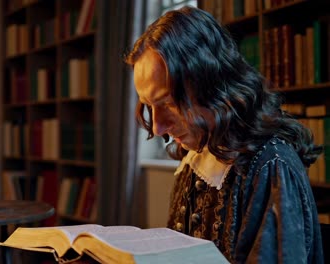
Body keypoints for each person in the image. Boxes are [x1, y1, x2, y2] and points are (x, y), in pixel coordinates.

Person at [125, 6, 324, 263]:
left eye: (169, 103)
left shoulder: (272, 166)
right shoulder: (197, 156)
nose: (157, 127)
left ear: (212, 85)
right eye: (149, 106)